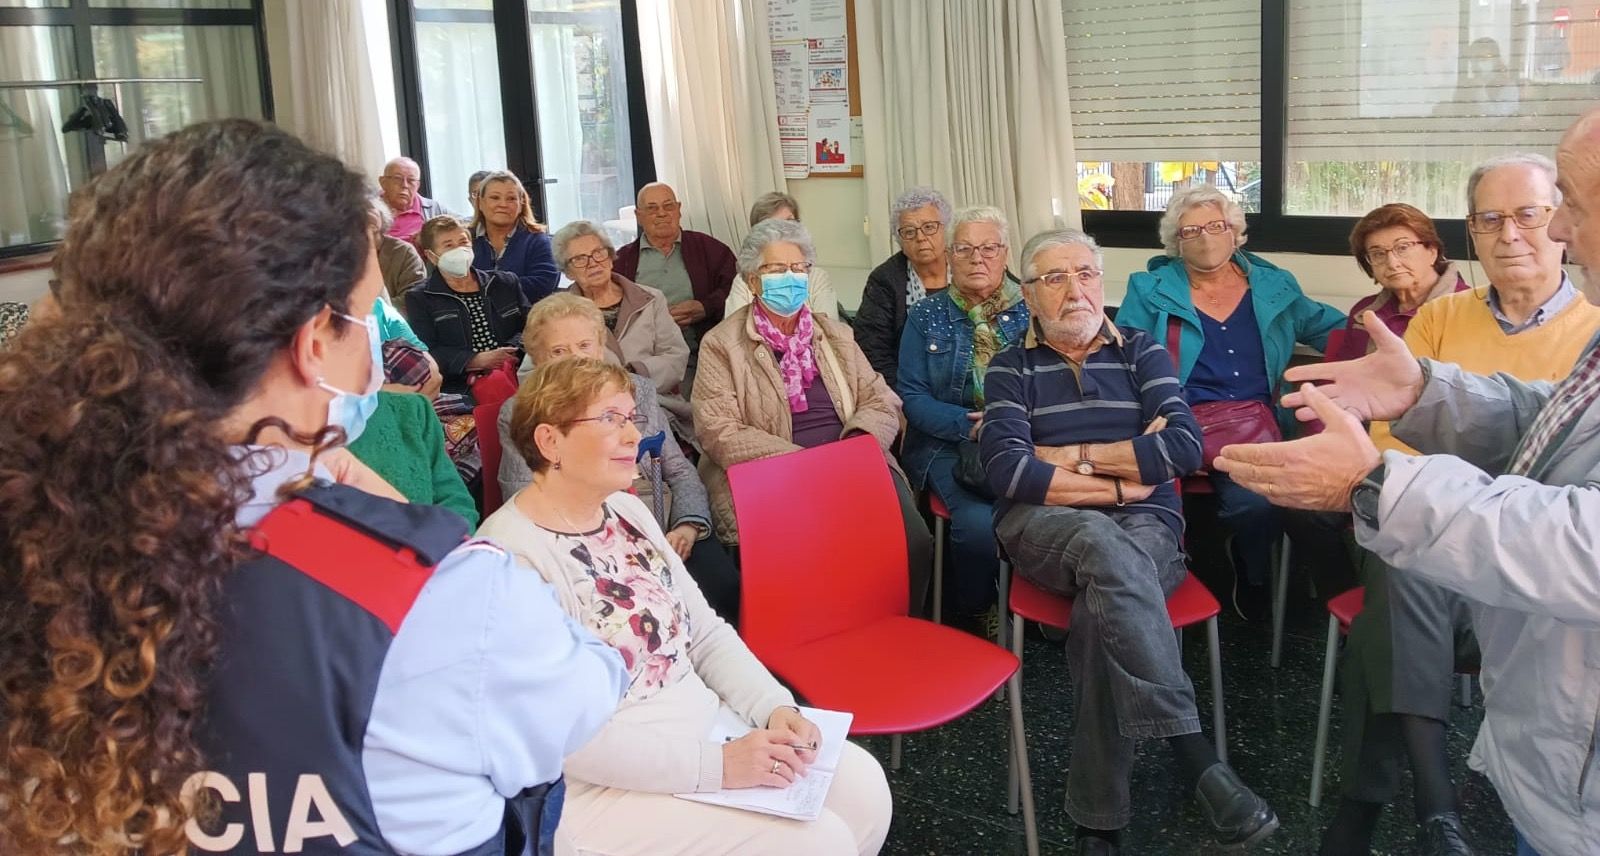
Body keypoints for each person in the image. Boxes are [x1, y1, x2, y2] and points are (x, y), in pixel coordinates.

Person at [0, 119, 626, 855]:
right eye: (366, 317)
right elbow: (583, 692)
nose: (376, 340)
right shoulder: (439, 597)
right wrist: (395, 522)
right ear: (312, 346)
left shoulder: (34, 526)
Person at [1216, 110, 1600, 856]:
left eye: (1560, 210)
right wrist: (1427, 390)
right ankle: (1431, 803)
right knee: (1404, 562)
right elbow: (1554, 424)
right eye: (1493, 219)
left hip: (1563, 694)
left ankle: (1386, 799)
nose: (1549, 235)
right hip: (1542, 687)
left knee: (1401, 558)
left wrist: (1382, 487)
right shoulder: (1440, 318)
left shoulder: (1586, 320)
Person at [478, 357, 893, 855]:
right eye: (610, 419)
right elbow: (570, 741)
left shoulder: (627, 510)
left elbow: (706, 633)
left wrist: (773, 705)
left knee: (866, 789)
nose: (635, 435)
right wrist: (721, 767)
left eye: (631, 417)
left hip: (704, 728)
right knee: (821, 842)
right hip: (599, 788)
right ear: (550, 443)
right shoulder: (511, 558)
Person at [980, 227, 1277, 855]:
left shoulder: (1143, 350)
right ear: (1029, 296)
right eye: (1055, 278)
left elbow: (1182, 448)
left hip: (1148, 524)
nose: (1075, 290)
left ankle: (1099, 819)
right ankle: (1192, 752)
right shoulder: (1009, 365)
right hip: (1043, 526)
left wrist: (1068, 457)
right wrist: (1120, 482)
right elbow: (1007, 469)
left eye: (1085, 273)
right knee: (1094, 537)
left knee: (1100, 608)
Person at [1116, 184, 1346, 620]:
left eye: (1217, 226)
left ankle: (1250, 569)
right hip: (1176, 418)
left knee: (1255, 503)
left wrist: (1399, 328)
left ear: (1235, 230)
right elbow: (1128, 357)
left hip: (1254, 424)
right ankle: (1153, 586)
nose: (1205, 237)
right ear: (1175, 242)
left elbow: (1333, 331)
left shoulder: (1274, 286)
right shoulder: (1149, 289)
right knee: (1142, 494)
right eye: (1191, 230)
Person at [692, 218, 935, 615]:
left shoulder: (834, 334)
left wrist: (858, 444)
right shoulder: (721, 344)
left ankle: (895, 627)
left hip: (851, 457)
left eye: (797, 268)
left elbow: (881, 398)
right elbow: (718, 429)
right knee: (810, 549)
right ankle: (818, 640)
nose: (789, 277)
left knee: (912, 540)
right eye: (775, 269)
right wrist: (801, 464)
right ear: (752, 281)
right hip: (775, 468)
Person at [498, 294, 740, 622]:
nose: (576, 360)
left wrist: (687, 527)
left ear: (600, 348)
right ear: (537, 359)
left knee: (723, 589)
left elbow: (680, 472)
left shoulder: (636, 391)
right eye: (558, 351)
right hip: (588, 545)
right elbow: (522, 494)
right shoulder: (521, 413)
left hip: (665, 526)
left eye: (584, 346)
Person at [1283, 202, 1471, 597]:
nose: (1392, 260)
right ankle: (1350, 604)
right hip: (1367, 455)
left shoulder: (1470, 312)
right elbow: (1332, 392)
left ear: (1432, 250)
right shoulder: (1364, 316)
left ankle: (1397, 614)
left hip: (1440, 462)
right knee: (1300, 504)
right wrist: (1325, 445)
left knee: (1401, 520)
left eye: (1403, 247)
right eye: (1378, 254)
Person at [897, 205, 1029, 622]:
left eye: (989, 248)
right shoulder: (926, 316)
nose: (978, 258)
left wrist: (1008, 425)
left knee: (1050, 510)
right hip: (950, 442)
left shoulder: (1033, 311)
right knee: (976, 526)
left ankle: (1042, 593)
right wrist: (966, 426)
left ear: (1006, 253)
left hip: (1024, 438)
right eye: (966, 249)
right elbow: (912, 397)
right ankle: (978, 608)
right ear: (949, 256)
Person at [550, 219, 691, 426]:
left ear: (610, 257)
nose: (593, 263)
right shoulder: (557, 313)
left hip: (653, 402)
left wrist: (633, 376)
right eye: (580, 259)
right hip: (588, 412)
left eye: (598, 253)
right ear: (568, 271)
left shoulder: (650, 299)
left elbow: (676, 355)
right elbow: (533, 374)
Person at [349, 339, 479, 528]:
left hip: (442, 550)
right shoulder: (302, 442)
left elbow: (455, 497)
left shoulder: (413, 409)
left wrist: (447, 546)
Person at [407, 214, 530, 395]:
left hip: (517, 373)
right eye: (449, 245)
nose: (459, 249)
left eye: (463, 242)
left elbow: (533, 325)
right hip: (460, 386)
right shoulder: (420, 297)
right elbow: (426, 351)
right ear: (431, 256)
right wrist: (473, 360)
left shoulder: (504, 282)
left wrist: (511, 351)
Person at [614, 182, 737, 345]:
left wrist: (705, 307)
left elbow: (738, 289)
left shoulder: (709, 248)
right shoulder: (621, 261)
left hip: (701, 348)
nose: (661, 213)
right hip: (642, 352)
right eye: (652, 208)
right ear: (638, 216)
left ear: (679, 209)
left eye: (668, 206)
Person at [856, 186, 953, 387]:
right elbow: (873, 350)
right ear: (899, 240)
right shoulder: (885, 280)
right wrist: (905, 397)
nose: (920, 237)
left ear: (946, 228)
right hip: (909, 387)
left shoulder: (969, 264)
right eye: (909, 232)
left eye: (929, 227)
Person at [726, 191, 840, 317]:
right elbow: (734, 330)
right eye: (772, 226)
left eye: (790, 223)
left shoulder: (816, 277)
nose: (784, 232)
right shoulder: (744, 281)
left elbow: (829, 329)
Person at [472, 170, 560, 305]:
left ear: (521, 204)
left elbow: (542, 284)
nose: (503, 204)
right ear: (480, 203)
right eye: (495, 198)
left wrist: (482, 285)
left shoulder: (538, 241)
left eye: (511, 198)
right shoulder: (464, 240)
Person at [379, 156, 457, 246]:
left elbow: (464, 225)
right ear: (383, 182)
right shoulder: (368, 211)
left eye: (411, 180)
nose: (404, 185)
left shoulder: (433, 209)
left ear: (417, 185)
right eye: (397, 179)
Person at [371, 196, 427, 306]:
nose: (366, 215)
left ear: (382, 217)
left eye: (370, 208)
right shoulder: (337, 254)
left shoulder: (404, 252)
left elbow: (412, 300)